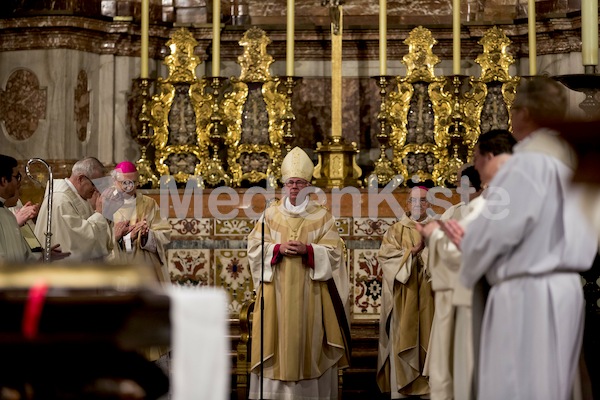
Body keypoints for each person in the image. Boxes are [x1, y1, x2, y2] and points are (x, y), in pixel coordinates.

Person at [459, 76, 598, 400]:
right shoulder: (573, 163)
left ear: (525, 113)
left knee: (518, 387)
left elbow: (497, 229)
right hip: (563, 289)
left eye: (515, 108)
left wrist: (468, 250)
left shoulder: (526, 165)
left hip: (526, 294)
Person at [416, 129, 516, 400]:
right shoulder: (522, 193)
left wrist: (432, 236)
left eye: (476, 158)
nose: (475, 166)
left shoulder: (488, 204)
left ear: (490, 157)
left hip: (481, 300)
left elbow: (460, 250)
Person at [246, 147, 350, 400]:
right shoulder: (269, 215)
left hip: (311, 295)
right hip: (276, 294)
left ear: (308, 186)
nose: (294, 187)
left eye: (300, 182)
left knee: (309, 346)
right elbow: (254, 249)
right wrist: (278, 248)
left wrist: (309, 250)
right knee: (274, 344)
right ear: (284, 185)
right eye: (290, 182)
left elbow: (335, 253)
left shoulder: (322, 217)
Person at [376, 182, 435, 399]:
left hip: (431, 296)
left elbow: (448, 259)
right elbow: (386, 259)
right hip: (404, 296)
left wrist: (427, 255)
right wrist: (412, 252)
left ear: (429, 203)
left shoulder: (437, 228)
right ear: (407, 204)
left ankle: (431, 390)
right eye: (413, 200)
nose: (418, 204)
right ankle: (404, 389)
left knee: (431, 338)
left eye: (423, 200)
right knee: (404, 339)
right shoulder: (395, 230)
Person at [34, 157, 114, 262]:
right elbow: (77, 242)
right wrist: (99, 213)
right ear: (81, 179)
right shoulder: (60, 200)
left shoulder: (78, 197)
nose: (96, 189)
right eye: (94, 184)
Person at [108, 161, 171, 283]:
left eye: (133, 183)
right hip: (116, 272)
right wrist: (123, 239)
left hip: (145, 269)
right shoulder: (104, 203)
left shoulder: (149, 204)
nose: (129, 187)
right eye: (124, 183)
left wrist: (146, 236)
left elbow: (164, 235)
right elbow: (96, 239)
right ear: (114, 182)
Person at [0, 154, 68, 263]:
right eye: (16, 177)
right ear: (3, 181)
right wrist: (18, 222)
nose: (18, 184)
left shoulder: (11, 211)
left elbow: (26, 251)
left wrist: (42, 254)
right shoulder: (12, 214)